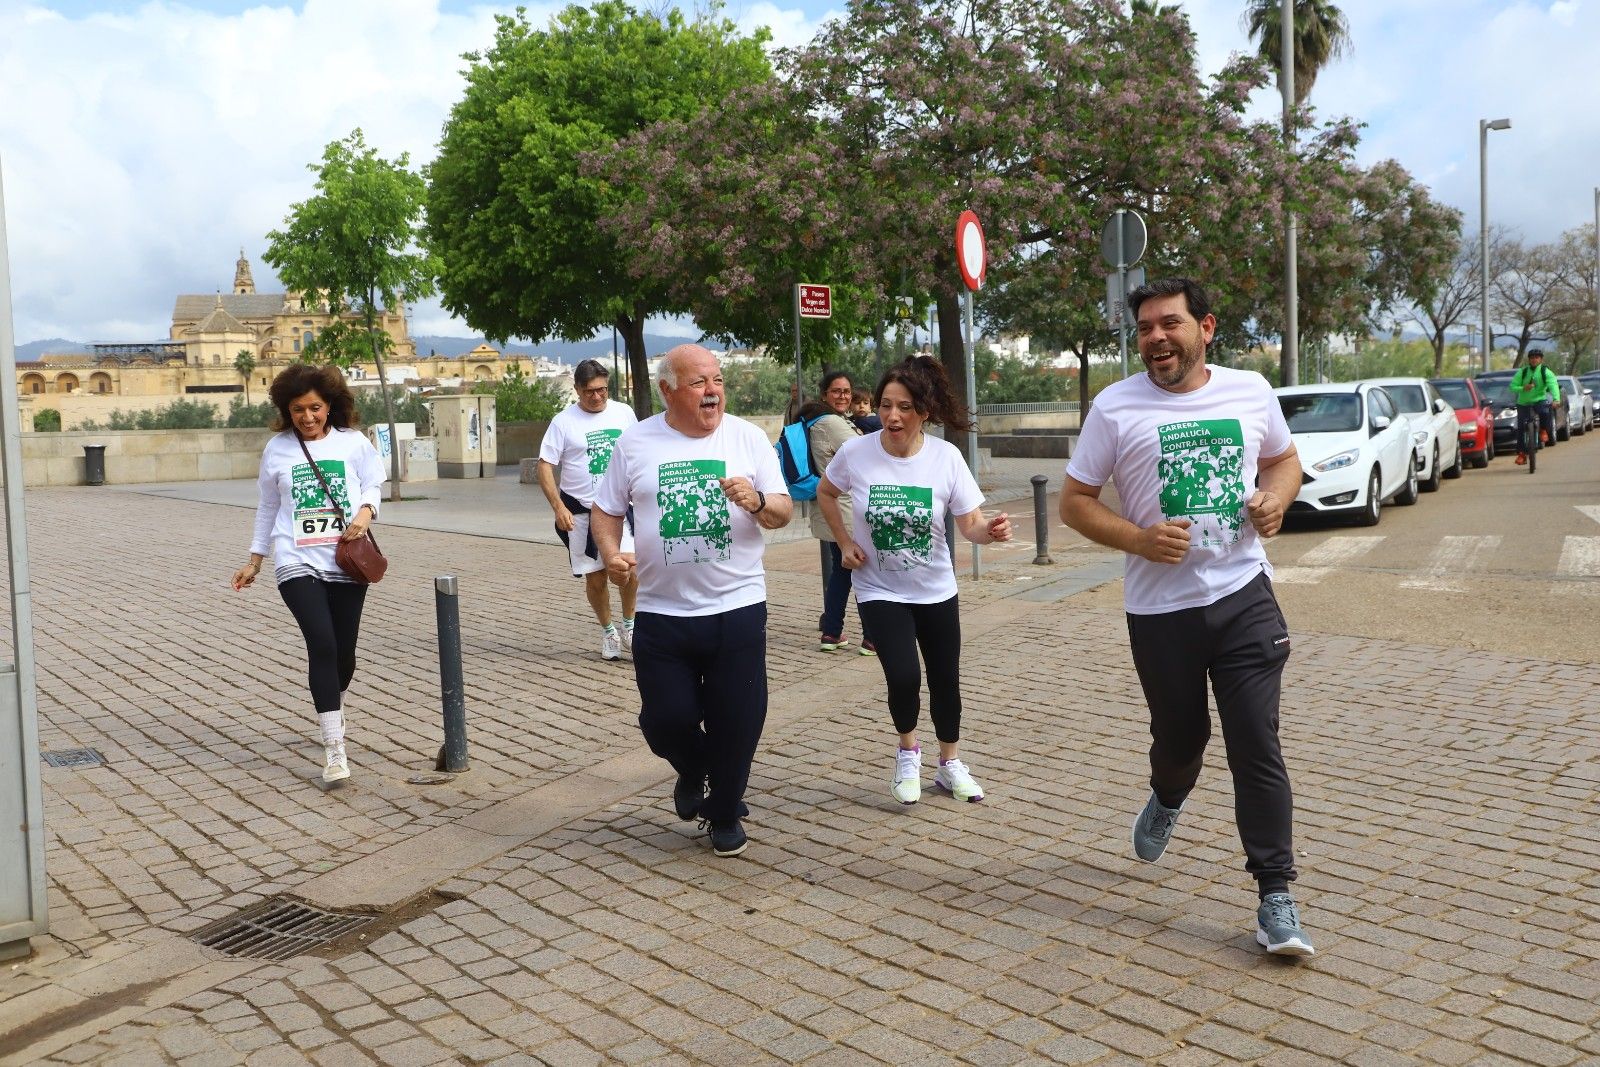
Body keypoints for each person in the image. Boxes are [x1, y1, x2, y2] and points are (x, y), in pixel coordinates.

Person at [1058, 278, 1313, 957]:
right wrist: (1138, 539)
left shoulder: (1251, 391)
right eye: (1144, 328)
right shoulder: (1115, 407)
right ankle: (1167, 795)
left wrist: (1275, 500)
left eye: (1169, 324)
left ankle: (1275, 896)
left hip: (1243, 595)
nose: (1155, 338)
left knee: (1256, 743)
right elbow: (1075, 501)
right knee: (1182, 739)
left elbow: (1284, 460)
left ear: (1207, 326)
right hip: (1160, 610)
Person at [591, 344, 793, 857]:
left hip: (737, 606)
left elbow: (784, 511)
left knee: (738, 718)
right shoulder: (635, 443)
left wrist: (758, 501)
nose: (713, 392)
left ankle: (724, 811)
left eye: (718, 380)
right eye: (699, 382)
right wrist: (612, 551)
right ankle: (694, 766)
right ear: (667, 390)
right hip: (661, 611)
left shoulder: (747, 438)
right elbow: (606, 509)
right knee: (665, 721)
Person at [817, 355, 1012, 807]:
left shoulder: (945, 458)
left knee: (946, 679)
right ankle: (909, 753)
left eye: (904, 407)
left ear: (923, 411)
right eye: (886, 405)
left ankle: (949, 765)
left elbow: (970, 525)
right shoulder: (856, 453)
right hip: (878, 587)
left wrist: (991, 532)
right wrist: (844, 542)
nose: (892, 416)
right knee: (903, 676)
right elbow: (827, 493)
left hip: (936, 588)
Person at [231, 364, 385, 784]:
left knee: (343, 656)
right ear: (287, 410)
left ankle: (330, 703)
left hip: (345, 561)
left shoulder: (353, 444)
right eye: (298, 409)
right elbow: (267, 506)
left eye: (315, 407)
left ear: (330, 405)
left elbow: (374, 484)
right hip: (295, 561)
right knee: (321, 643)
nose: (307, 417)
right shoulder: (277, 449)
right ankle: (334, 747)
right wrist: (256, 559)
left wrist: (365, 513)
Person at [537, 359, 638, 658]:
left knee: (629, 569)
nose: (597, 396)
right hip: (581, 511)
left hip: (621, 509)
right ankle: (608, 632)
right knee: (597, 577)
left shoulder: (624, 413)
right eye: (590, 391)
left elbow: (639, 452)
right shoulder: (563, 422)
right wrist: (558, 507)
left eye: (602, 390)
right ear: (577, 389)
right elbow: (545, 466)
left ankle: (630, 626)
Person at [809, 371, 874, 654]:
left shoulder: (818, 420)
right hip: (844, 508)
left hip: (834, 507)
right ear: (824, 394)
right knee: (861, 570)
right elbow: (864, 452)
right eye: (836, 391)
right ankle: (872, 637)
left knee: (843, 571)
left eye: (847, 391)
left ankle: (832, 632)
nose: (843, 396)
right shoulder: (831, 423)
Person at [1511, 348, 1560, 465]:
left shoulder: (1545, 372)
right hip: (1523, 403)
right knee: (1521, 429)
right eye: (1532, 358)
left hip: (1539, 400)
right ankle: (1522, 454)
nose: (1534, 360)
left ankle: (1543, 430)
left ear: (1541, 359)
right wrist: (1523, 388)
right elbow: (1512, 386)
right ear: (1529, 360)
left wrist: (1556, 399)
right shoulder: (1522, 372)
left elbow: (1553, 385)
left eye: (1537, 358)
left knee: (1545, 412)